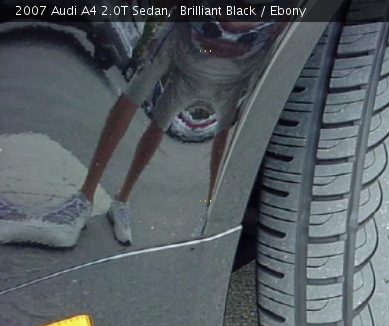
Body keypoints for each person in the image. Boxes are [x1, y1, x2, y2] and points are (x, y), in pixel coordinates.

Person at [40, 20, 280, 248]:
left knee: (228, 133)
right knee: (133, 98)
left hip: (239, 66)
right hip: (188, 41)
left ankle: (207, 213)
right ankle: (86, 197)